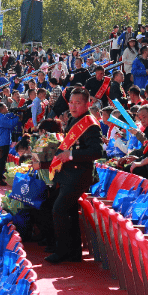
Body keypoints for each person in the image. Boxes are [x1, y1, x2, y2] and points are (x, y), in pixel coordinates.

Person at [45, 88, 102, 264]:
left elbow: (96, 151)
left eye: (78, 103)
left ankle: (62, 251)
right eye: (71, 102)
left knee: (59, 209)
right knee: (68, 211)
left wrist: (70, 155)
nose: (73, 106)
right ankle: (73, 252)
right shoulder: (73, 119)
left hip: (80, 174)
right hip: (69, 174)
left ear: (87, 104)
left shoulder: (90, 124)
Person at [0, 104, 19, 186]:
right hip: (4, 142)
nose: (7, 108)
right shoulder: (2, 118)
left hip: (1, 141)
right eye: (6, 107)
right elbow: (11, 123)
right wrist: (17, 116)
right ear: (2, 109)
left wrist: (12, 113)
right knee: (1, 161)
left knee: (1, 160)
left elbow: (8, 116)